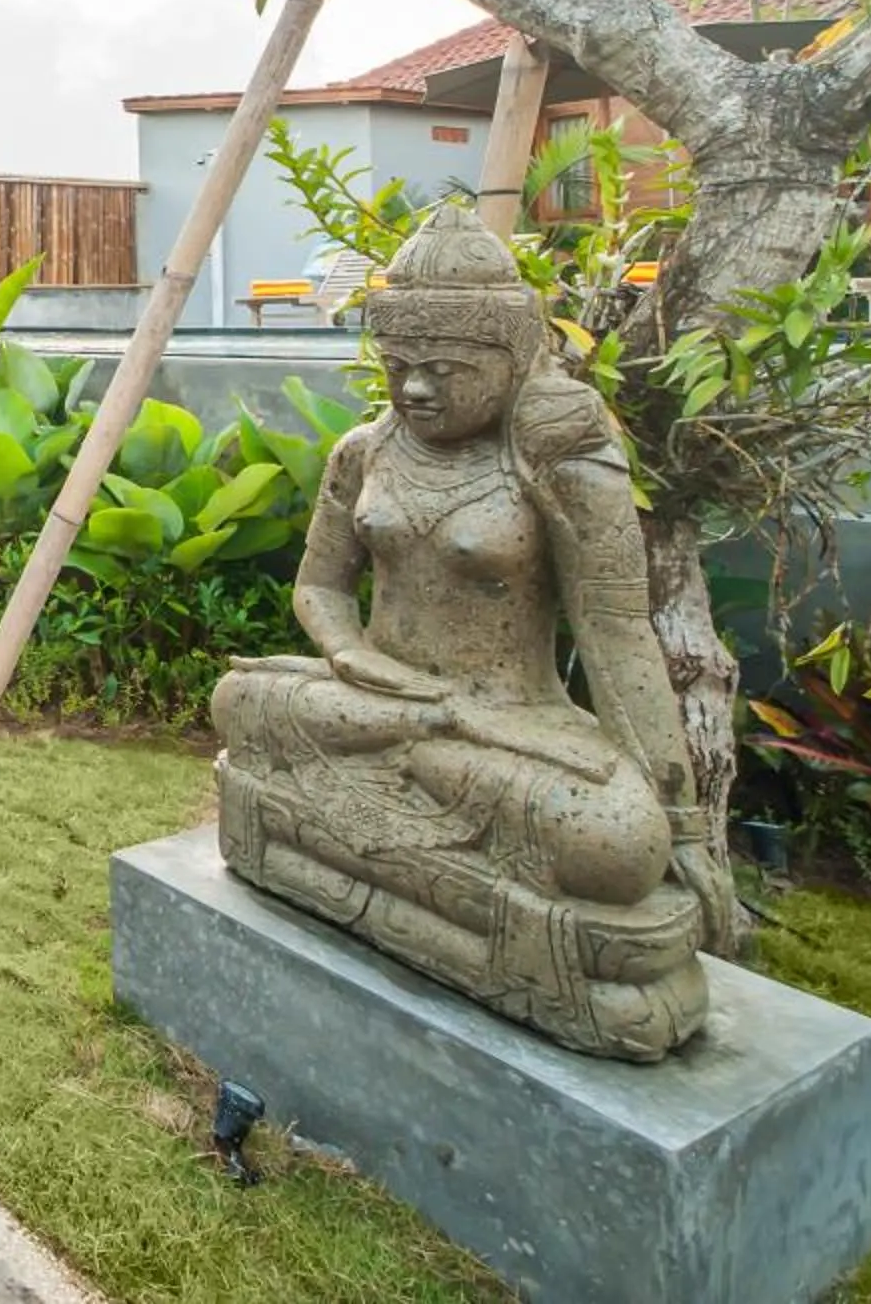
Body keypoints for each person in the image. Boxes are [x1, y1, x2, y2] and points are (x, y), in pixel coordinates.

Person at [210, 204, 733, 1061]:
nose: (415, 389)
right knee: (239, 700)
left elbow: (618, 637)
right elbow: (320, 586)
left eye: (445, 370)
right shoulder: (364, 451)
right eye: (399, 367)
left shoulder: (561, 464)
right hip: (376, 706)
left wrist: (680, 823)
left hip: (499, 725)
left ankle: (340, 847)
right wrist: (351, 656)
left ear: (511, 360)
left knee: (613, 839)